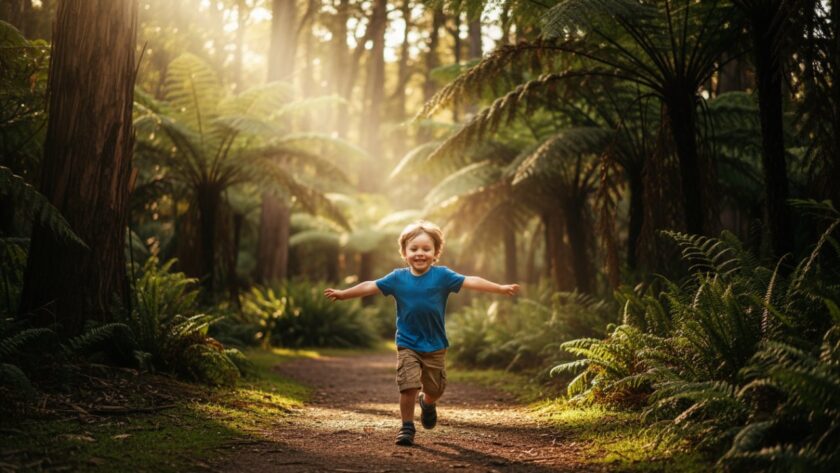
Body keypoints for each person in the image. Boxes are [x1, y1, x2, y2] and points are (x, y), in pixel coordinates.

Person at [324, 220, 520, 446]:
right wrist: (342, 294)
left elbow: (470, 280)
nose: (420, 253)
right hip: (407, 343)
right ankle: (407, 426)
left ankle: (428, 403)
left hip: (435, 345)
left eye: (426, 249)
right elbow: (370, 286)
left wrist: (499, 288)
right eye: (414, 249)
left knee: (435, 389)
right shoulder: (397, 278)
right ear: (404, 252)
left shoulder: (443, 276)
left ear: (436, 252)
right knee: (408, 385)